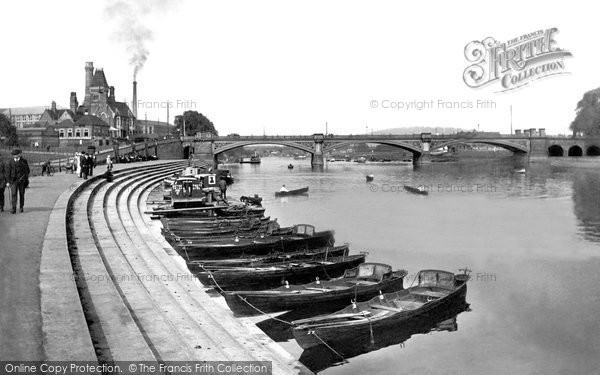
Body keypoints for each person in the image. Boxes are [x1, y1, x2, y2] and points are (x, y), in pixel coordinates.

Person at [6, 149, 30, 214]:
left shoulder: (24, 161)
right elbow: (8, 172)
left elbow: (27, 170)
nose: (15, 156)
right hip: (13, 181)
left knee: (22, 194)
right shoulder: (10, 162)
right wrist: (8, 182)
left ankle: (21, 207)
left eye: (16, 154)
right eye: (14, 155)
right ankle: (14, 208)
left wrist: (25, 178)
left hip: (22, 181)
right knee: (13, 194)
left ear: (19, 154)